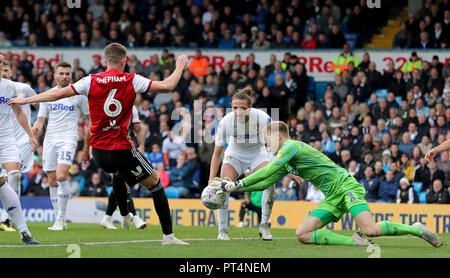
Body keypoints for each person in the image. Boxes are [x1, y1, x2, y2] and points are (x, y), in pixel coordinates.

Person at [8, 43, 189, 245]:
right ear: (124, 61)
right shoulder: (132, 80)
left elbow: (57, 93)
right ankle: (168, 236)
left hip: (100, 154)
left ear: (105, 61)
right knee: (156, 184)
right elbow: (167, 85)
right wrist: (180, 66)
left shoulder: (90, 80)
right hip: (120, 149)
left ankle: (123, 215)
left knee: (118, 174)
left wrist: (27, 101)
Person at [211, 121, 442, 248]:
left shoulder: (291, 146)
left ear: (279, 135)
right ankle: (355, 241)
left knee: (371, 228)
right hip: (332, 196)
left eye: (267, 139)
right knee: (302, 234)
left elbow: (268, 170)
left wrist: (239, 182)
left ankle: (416, 229)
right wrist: (233, 188)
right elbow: (266, 180)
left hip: (346, 187)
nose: (265, 144)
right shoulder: (284, 158)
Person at [209, 87, 275, 241]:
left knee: (270, 182)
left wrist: (287, 167)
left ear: (250, 108)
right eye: (234, 108)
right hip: (235, 154)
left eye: (242, 108)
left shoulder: (262, 117)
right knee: (223, 184)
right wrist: (211, 178)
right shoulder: (226, 122)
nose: (238, 111)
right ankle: (222, 231)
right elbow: (217, 153)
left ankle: (264, 225)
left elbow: (275, 144)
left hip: (258, 153)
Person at [32, 61, 90, 231]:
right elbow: (41, 119)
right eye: (62, 73)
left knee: (61, 175)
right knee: (52, 180)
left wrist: (88, 141)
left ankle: (61, 218)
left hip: (68, 139)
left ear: (70, 75)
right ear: (55, 75)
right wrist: (35, 129)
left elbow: (89, 117)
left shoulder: (78, 94)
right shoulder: (47, 95)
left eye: (67, 73)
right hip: (50, 140)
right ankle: (59, 218)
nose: (65, 76)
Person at [0, 53, 38, 244]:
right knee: (2, 183)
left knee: (13, 176)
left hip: (7, 140)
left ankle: (24, 232)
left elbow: (19, 111)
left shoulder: (10, 87)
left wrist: (31, 135)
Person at [97, 106, 147, 230]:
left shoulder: (131, 108)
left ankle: (107, 218)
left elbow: (136, 129)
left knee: (119, 185)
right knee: (123, 184)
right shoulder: (107, 105)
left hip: (123, 150)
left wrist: (141, 146)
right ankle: (134, 217)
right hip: (107, 150)